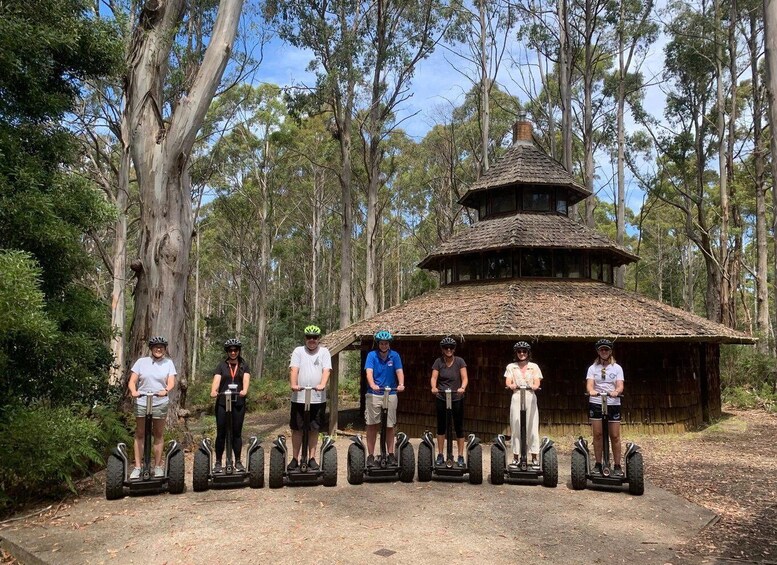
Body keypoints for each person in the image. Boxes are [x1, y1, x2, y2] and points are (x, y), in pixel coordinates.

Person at [127, 336, 177, 479]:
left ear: (165, 349)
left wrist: (166, 390)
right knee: (140, 433)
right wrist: (134, 391)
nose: (158, 349)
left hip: (159, 401)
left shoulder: (168, 363)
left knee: (158, 433)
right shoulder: (141, 362)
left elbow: (171, 382)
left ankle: (158, 466)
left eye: (161, 347)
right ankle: (137, 467)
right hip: (142, 401)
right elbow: (132, 381)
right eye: (156, 346)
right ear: (151, 348)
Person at [288, 324, 331, 471]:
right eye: (309, 337)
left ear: (319, 339)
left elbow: (326, 370)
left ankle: (312, 458)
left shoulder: (324, 352)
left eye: (315, 337)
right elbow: (294, 369)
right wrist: (293, 384)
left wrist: (322, 384)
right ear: (305, 338)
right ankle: (295, 458)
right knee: (297, 428)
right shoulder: (298, 351)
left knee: (314, 428)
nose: (312, 340)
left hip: (317, 398)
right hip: (299, 397)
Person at [364, 330, 405, 466]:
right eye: (381, 343)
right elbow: (369, 372)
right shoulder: (371, 355)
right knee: (372, 424)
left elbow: (399, 371)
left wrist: (401, 384)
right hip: (375, 393)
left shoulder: (395, 356)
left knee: (389, 425)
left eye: (386, 343)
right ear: (378, 344)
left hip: (391, 393)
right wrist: (372, 384)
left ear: (389, 344)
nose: (383, 345)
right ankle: (370, 455)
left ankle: (391, 454)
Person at [210, 338, 251, 473]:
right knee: (221, 432)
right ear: (227, 351)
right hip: (223, 402)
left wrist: (244, 390)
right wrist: (214, 391)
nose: (233, 352)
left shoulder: (244, 365)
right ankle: (217, 462)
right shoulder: (221, 366)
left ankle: (238, 461)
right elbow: (217, 380)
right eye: (230, 350)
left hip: (238, 402)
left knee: (236, 433)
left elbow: (245, 379)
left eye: (235, 350)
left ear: (239, 351)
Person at [586, 338, 625, 476]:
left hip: (613, 403)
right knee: (597, 435)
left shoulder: (617, 368)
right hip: (596, 402)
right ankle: (598, 463)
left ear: (610, 351)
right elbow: (590, 385)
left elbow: (620, 385)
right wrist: (591, 391)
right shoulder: (593, 368)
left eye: (606, 349)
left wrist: (616, 391)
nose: (604, 352)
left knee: (614, 436)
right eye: (601, 349)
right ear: (598, 351)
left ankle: (617, 465)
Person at [430, 336, 468, 467]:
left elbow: (465, 378)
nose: (448, 350)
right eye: (446, 348)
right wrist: (434, 388)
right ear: (442, 349)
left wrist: (462, 388)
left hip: (456, 397)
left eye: (451, 348)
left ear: (454, 349)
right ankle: (440, 454)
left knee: (458, 427)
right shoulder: (438, 362)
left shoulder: (460, 361)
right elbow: (434, 377)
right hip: (442, 397)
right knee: (441, 426)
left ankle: (461, 456)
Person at [503, 340, 542, 467]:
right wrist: (511, 385)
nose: (522, 353)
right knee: (516, 426)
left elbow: (537, 382)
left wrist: (535, 386)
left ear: (528, 353)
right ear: (516, 353)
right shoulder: (511, 366)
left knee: (532, 426)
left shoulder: (534, 366)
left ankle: (534, 457)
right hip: (517, 396)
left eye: (524, 351)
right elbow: (508, 382)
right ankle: (516, 457)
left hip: (530, 396)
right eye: (519, 351)